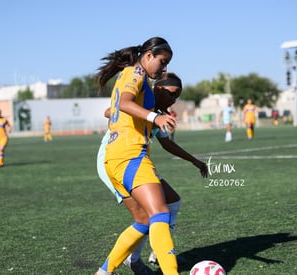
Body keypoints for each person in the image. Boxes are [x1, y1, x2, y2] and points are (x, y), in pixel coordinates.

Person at [96, 73, 208, 274]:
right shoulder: (144, 102)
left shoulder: (159, 112)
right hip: (114, 159)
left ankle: (158, 251)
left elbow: (167, 144)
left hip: (136, 160)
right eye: (172, 94)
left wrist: (194, 160)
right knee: (146, 217)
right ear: (158, 89)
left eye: (177, 97)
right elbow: (109, 111)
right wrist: (146, 115)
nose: (174, 100)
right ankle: (133, 259)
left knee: (172, 201)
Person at [95, 37, 180, 275]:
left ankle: (103, 273)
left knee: (143, 221)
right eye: (162, 62)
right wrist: (156, 117)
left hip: (116, 158)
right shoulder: (136, 72)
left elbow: (115, 107)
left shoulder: (131, 75)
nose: (164, 69)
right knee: (160, 212)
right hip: (130, 155)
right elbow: (123, 102)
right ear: (149, 55)